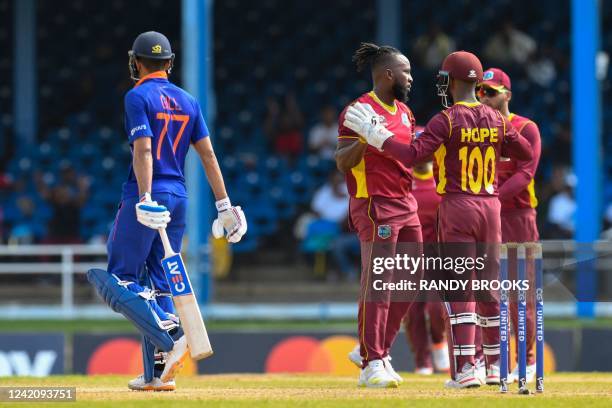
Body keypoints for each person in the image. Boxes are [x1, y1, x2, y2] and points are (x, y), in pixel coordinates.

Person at [347, 51, 532, 388]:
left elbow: (414, 155)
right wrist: (495, 147)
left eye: (444, 78)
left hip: (459, 206)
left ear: (454, 81)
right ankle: (494, 368)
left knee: (459, 289)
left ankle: (465, 371)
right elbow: (526, 153)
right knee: (489, 288)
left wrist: (380, 139)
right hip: (491, 207)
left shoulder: (445, 119)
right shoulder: (495, 117)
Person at [87, 32, 247, 392]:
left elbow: (143, 150)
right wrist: (225, 207)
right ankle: (156, 375)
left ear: (137, 63)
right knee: (160, 284)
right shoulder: (188, 100)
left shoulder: (136, 96)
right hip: (179, 197)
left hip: (149, 195)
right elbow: (208, 155)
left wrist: (144, 197)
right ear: (170, 63)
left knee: (119, 278)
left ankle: (172, 333)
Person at [337, 42, 421, 388]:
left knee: (412, 280)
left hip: (406, 202)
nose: (411, 78)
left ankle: (374, 349)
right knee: (380, 283)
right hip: (375, 204)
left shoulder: (405, 112)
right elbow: (342, 161)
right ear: (388, 74)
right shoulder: (357, 110)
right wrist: (366, 139)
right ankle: (372, 363)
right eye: (406, 72)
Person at [478, 67, 542, 384]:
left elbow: (525, 175)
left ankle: (527, 362)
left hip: (516, 216)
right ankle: (484, 363)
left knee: (519, 294)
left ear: (508, 95)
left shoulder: (526, 128)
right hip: (483, 214)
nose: (485, 97)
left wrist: (491, 198)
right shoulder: (476, 130)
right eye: (480, 92)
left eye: (491, 91)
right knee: (482, 291)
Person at [402, 129, 449, 375]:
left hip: (437, 253)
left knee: (435, 307)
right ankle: (422, 362)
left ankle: (439, 342)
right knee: (412, 312)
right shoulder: (404, 177)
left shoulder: (442, 176)